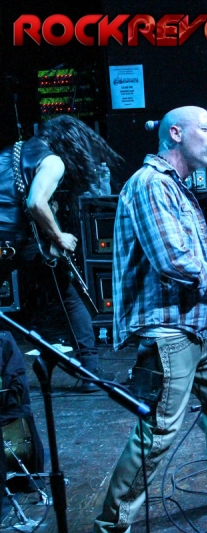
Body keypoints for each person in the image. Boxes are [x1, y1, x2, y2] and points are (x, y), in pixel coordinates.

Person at [94, 106, 207, 533]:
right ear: (176, 135)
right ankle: (111, 524)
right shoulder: (150, 184)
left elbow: (190, 261)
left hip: (196, 324)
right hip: (169, 330)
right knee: (160, 430)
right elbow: (171, 261)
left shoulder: (177, 188)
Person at [0, 115, 123, 392]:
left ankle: (48, 358)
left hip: (10, 241)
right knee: (70, 297)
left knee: (57, 288)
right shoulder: (52, 160)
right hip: (16, 239)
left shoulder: (12, 152)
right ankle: (89, 372)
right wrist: (58, 236)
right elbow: (35, 202)